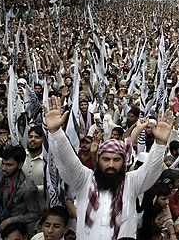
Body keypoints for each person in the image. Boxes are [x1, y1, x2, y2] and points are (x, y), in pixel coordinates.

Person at [44, 96, 170, 239]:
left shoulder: (131, 183)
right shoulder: (85, 180)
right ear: (98, 160)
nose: (111, 165)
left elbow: (150, 171)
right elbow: (68, 163)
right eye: (106, 159)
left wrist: (160, 144)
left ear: (124, 162)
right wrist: (56, 133)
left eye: (116, 160)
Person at [0, 146, 41, 234]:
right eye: (3, 163)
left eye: (9, 165)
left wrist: (10, 220)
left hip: (16, 231)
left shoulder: (26, 188)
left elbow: (35, 214)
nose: (3, 168)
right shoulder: (2, 179)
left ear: (19, 165)